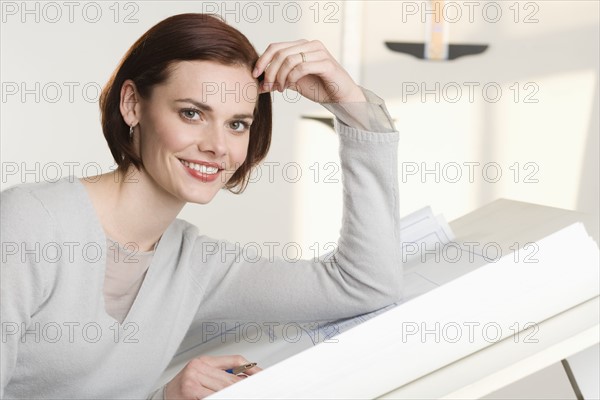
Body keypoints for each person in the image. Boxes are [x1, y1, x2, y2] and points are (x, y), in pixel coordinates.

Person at [0, 13, 401, 400]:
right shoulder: (28, 225)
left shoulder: (196, 266)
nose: (217, 146)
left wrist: (350, 106)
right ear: (132, 105)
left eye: (237, 124)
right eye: (192, 113)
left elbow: (365, 284)